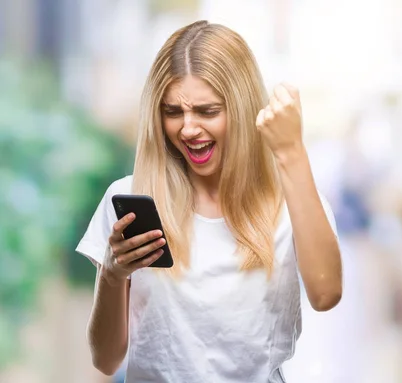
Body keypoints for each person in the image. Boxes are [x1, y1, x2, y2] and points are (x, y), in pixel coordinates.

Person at [76, 20, 343, 382]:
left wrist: (291, 152)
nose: (187, 128)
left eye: (207, 111)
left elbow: (326, 294)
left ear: (243, 108)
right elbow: (105, 360)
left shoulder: (289, 204)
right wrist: (113, 272)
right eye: (173, 112)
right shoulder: (130, 199)